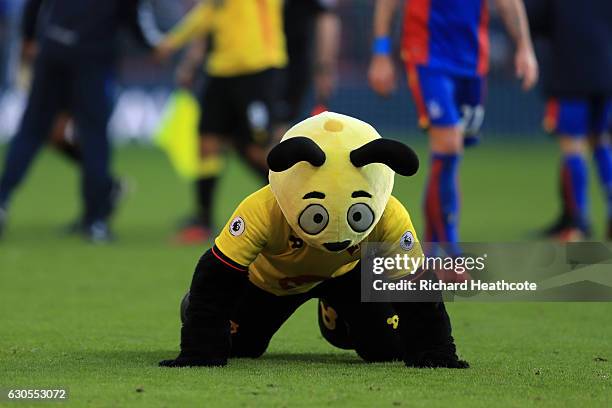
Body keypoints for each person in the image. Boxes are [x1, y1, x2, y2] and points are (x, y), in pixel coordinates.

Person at [159, 112, 468, 368]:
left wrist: (436, 352)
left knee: (386, 348)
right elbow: (218, 271)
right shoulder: (263, 208)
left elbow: (414, 281)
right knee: (241, 346)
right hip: (273, 283)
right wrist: (201, 347)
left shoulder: (389, 213)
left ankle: (334, 313)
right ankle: (193, 307)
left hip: (346, 274)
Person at [368, 0, 538, 255]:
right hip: (426, 56)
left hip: (472, 62)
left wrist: (525, 47)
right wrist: (381, 53)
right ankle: (450, 254)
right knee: (449, 146)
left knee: (450, 156)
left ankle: (431, 250)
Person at [0, 0, 157, 242]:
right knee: (93, 136)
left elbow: (34, 4)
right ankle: (96, 221)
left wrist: (29, 37)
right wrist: (152, 46)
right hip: (93, 58)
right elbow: (132, 15)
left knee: (32, 130)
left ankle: (2, 199)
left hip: (53, 49)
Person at [154, 0, 287, 245]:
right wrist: (174, 44)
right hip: (220, 69)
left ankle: (292, 206)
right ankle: (203, 219)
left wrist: (173, 43)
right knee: (207, 142)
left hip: (257, 67)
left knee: (257, 148)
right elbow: (207, 13)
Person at [527, 0, 612, 241]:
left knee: (573, 146)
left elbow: (533, 21)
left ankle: (579, 222)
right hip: (604, 74)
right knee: (601, 142)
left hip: (570, 76)